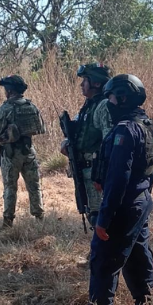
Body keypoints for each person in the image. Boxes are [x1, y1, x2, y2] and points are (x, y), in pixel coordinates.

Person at [85, 74, 153, 305]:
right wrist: (145, 198)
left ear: (124, 98)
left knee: (103, 262)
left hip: (124, 206)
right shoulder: (147, 125)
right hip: (140, 202)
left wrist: (104, 219)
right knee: (138, 259)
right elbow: (151, 170)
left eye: (112, 98)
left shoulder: (126, 130)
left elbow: (118, 178)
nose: (109, 103)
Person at [60, 62, 113, 227]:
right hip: (86, 169)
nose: (82, 84)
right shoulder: (89, 106)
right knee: (93, 213)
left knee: (101, 219)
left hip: (96, 171)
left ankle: (105, 252)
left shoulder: (103, 106)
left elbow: (109, 141)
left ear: (96, 83)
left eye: (85, 80)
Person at [0, 75, 45, 227]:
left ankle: (8, 220)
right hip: (29, 151)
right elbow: (40, 128)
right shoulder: (31, 106)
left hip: (11, 154)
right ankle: (39, 217)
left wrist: (7, 137)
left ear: (9, 91)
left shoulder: (6, 108)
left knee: (10, 187)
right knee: (34, 185)